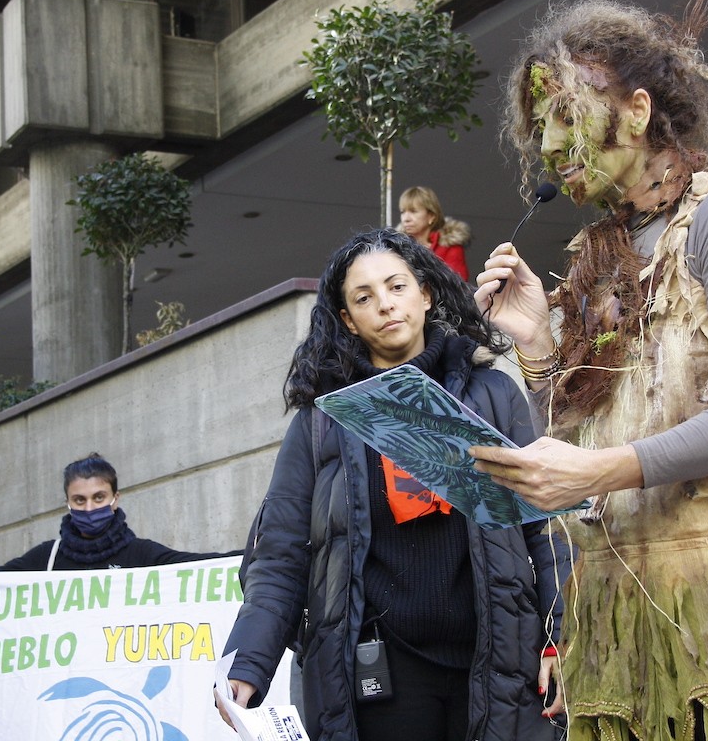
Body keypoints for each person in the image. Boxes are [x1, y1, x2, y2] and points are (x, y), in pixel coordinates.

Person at [469, 0, 708, 740]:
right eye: (540, 125)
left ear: (640, 110)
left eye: (566, 112)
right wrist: (535, 346)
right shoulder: (597, 259)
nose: (550, 145)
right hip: (623, 614)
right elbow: (588, 436)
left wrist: (601, 472)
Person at [219, 228, 569, 741]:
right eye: (364, 297)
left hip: (498, 664)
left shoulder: (494, 395)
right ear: (348, 320)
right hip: (381, 674)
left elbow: (547, 530)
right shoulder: (323, 422)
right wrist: (247, 665)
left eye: (397, 286)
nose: (385, 305)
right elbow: (280, 556)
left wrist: (560, 638)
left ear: (425, 294)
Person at [0, 453, 230, 599]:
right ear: (68, 503)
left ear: (116, 498)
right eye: (80, 501)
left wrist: (263, 555)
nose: (90, 507)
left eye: (99, 498)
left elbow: (203, 565)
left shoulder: (140, 554)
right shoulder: (47, 559)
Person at [398, 186, 472, 280]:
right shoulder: (395, 247)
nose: (406, 218)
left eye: (413, 211)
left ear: (431, 216)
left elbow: (457, 286)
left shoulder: (450, 248)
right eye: (402, 212)